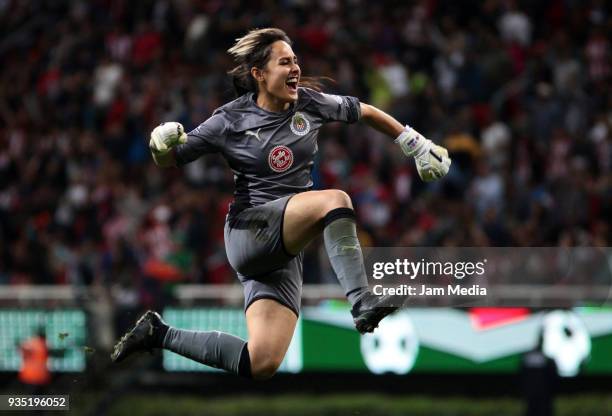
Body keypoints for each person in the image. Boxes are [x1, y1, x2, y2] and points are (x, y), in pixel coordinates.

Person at [111, 28, 451, 379]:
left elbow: (363, 111)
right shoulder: (229, 120)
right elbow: (170, 158)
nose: (295, 69)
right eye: (284, 62)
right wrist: (158, 145)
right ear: (259, 74)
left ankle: (158, 333)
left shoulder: (309, 103)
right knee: (335, 200)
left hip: (283, 249)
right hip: (251, 231)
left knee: (262, 362)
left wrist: (415, 144)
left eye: (296, 61)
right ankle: (362, 300)